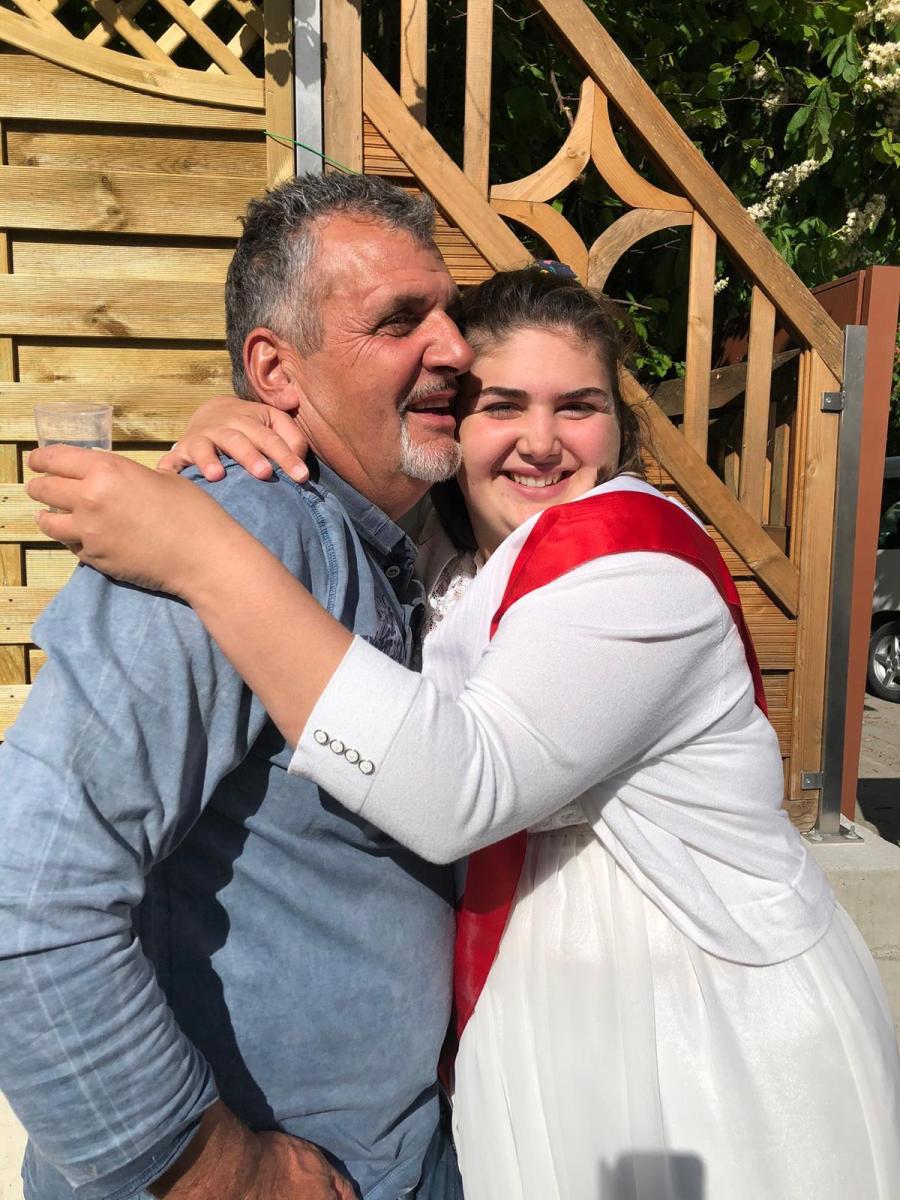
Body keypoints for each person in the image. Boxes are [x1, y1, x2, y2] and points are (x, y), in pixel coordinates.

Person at [26, 270, 900, 1200]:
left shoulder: (634, 569)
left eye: (579, 407)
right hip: (551, 1035)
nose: (542, 441)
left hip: (699, 1032)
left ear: (619, 430)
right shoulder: (450, 561)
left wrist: (202, 553)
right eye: (503, 405)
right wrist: (239, 424)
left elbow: (454, 790)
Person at [0, 173, 477, 1200]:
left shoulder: (408, 540)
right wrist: (216, 1169)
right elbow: (25, 898)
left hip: (392, 1152)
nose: (455, 348)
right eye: (400, 321)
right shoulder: (240, 528)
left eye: (451, 314)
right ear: (275, 368)